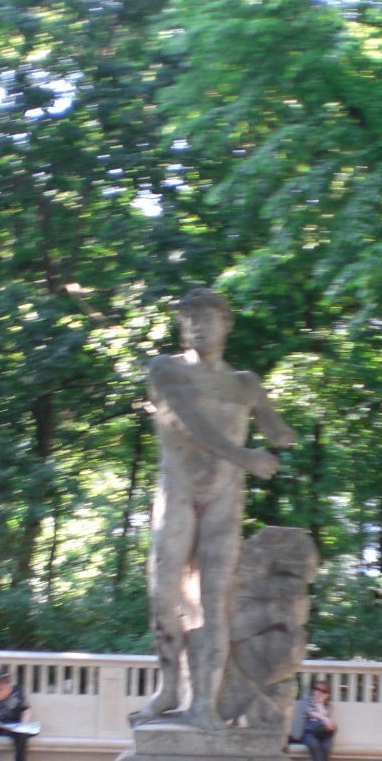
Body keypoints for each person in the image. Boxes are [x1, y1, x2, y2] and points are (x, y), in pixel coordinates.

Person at [130, 288, 296, 731]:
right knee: (164, 595)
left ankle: (203, 701)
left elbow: (277, 428)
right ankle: (168, 688)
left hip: (224, 497)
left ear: (227, 325)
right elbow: (188, 421)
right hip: (180, 491)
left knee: (214, 602)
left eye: (206, 318)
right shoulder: (165, 370)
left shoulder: (245, 383)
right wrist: (248, 457)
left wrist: (282, 433)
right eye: (189, 319)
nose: (197, 326)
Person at [296, 679, 337, 761]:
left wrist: (320, 704)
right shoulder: (307, 702)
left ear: (327, 694)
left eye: (322, 691)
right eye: (316, 689)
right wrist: (326, 720)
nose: (318, 692)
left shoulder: (328, 705)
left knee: (326, 745)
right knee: (314, 744)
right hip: (309, 732)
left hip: (323, 733)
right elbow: (314, 715)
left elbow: (324, 713)